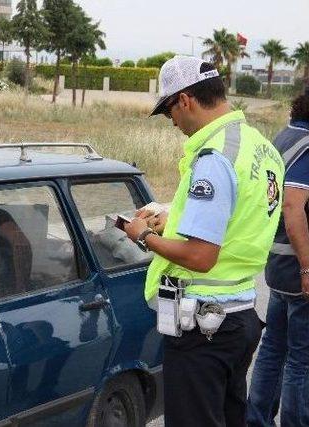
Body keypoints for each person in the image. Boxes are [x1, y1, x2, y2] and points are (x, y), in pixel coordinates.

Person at [123, 56, 284, 427]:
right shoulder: (258, 146)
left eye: (168, 112)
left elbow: (200, 255)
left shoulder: (214, 158)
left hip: (204, 327)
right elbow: (238, 221)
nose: (173, 123)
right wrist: (173, 223)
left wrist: (143, 235)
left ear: (184, 100)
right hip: (240, 314)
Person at [247, 91, 309, 427]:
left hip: (277, 261)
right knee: (301, 358)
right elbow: (292, 206)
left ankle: (256, 419)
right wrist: (307, 267)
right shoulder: (307, 145)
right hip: (298, 268)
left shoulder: (284, 137)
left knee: (273, 348)